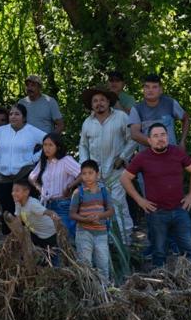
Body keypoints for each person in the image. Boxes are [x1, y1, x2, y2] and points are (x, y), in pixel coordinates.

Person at [122, 122, 191, 267]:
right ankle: (160, 278)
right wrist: (140, 200)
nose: (160, 139)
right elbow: (125, 178)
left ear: (168, 137)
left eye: (163, 135)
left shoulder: (177, 152)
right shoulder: (142, 157)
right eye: (156, 136)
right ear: (149, 140)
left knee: (189, 248)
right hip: (156, 212)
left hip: (180, 209)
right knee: (159, 251)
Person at [77, 86, 136, 242]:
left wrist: (123, 157)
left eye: (102, 100)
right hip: (95, 176)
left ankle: (125, 241)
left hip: (117, 172)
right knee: (98, 206)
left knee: (118, 205)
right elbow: (83, 145)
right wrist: (85, 166)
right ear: (91, 105)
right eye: (95, 101)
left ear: (109, 101)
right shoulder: (87, 122)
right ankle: (108, 242)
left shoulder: (121, 117)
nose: (99, 103)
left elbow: (132, 139)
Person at [0, 103, 46, 225]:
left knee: (25, 210)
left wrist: (34, 158)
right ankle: (8, 235)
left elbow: (49, 140)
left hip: (24, 175)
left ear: (24, 117)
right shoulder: (2, 131)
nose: (13, 116)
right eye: (11, 114)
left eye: (17, 114)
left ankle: (28, 235)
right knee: (7, 209)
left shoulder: (31, 130)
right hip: (4, 177)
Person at [69, 159, 114, 282]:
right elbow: (72, 214)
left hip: (101, 232)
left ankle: (105, 288)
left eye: (90, 173)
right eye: (84, 174)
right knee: (85, 264)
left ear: (97, 174)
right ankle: (89, 289)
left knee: (103, 264)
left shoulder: (104, 191)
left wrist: (99, 216)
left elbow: (111, 211)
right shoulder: (78, 192)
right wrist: (85, 219)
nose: (87, 176)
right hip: (83, 232)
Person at [30, 133, 81, 240]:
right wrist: (40, 189)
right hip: (46, 205)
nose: (47, 148)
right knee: (51, 239)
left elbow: (82, 174)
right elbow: (31, 177)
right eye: (45, 145)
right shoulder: (44, 161)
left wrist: (70, 186)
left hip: (62, 205)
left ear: (58, 147)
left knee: (65, 238)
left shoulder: (65, 160)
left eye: (50, 145)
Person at [129, 74, 190, 148]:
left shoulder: (170, 103)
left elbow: (185, 118)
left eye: (154, 87)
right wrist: (156, 144)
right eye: (147, 87)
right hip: (148, 154)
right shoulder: (137, 109)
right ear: (143, 89)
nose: (150, 90)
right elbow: (134, 134)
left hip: (171, 152)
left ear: (161, 90)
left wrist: (183, 141)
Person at [11, 179, 64, 250]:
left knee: (52, 253)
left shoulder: (32, 204)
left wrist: (54, 215)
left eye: (17, 191)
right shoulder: (18, 203)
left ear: (26, 192)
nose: (13, 193)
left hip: (49, 234)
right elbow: (18, 219)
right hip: (36, 233)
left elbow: (47, 211)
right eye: (13, 191)